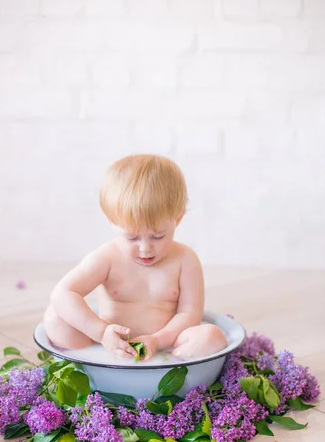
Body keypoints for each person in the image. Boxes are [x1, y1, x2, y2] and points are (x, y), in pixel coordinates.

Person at [44, 154, 227, 361]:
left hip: (167, 345)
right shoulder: (107, 258)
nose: (145, 248)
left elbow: (190, 314)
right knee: (55, 318)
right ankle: (88, 364)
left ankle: (173, 366)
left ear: (178, 219)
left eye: (158, 236)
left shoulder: (185, 259)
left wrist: (157, 340)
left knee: (212, 336)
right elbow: (62, 293)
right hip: (109, 346)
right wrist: (101, 332)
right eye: (132, 237)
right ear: (111, 222)